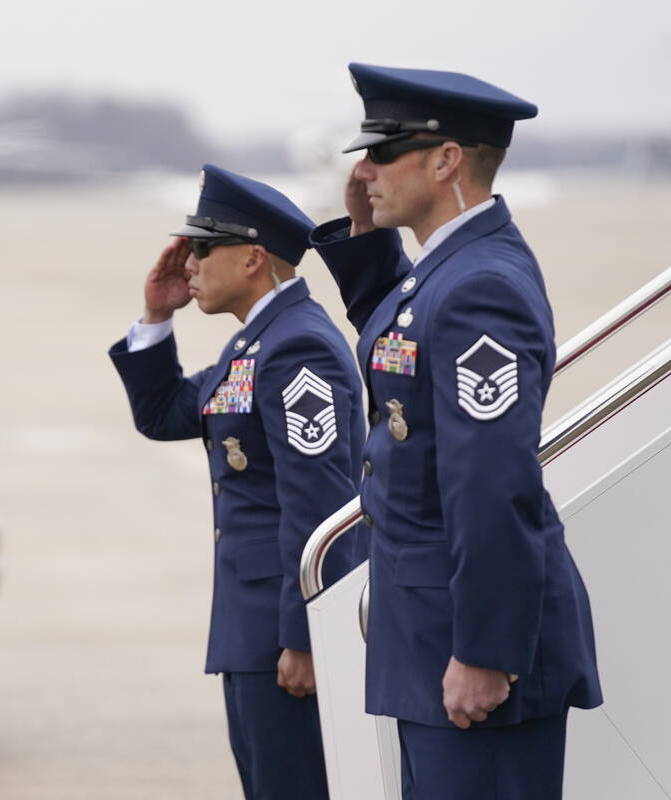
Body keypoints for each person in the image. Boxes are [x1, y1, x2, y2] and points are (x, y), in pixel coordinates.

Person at [309, 63, 603, 799]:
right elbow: (401, 347)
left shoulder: (480, 287)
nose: (363, 167)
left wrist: (485, 651)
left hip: (469, 651)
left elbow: (492, 479)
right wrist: (364, 234)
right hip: (431, 635)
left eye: (384, 150)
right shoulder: (448, 272)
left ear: (446, 161)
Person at [109, 164, 365, 799]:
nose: (187, 262)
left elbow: (322, 506)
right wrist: (155, 316)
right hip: (254, 631)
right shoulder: (256, 344)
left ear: (252, 258)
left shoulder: (297, 347)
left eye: (201, 247)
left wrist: (307, 636)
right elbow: (166, 413)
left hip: (285, 636)